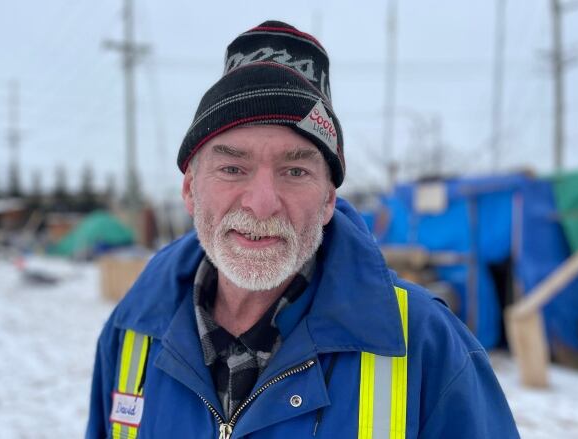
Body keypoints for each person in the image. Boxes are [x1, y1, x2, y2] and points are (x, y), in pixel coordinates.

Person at [87, 20, 519, 438]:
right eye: (232, 167)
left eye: (294, 171)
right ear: (190, 190)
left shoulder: (427, 346)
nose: (261, 203)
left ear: (329, 199)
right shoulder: (132, 332)